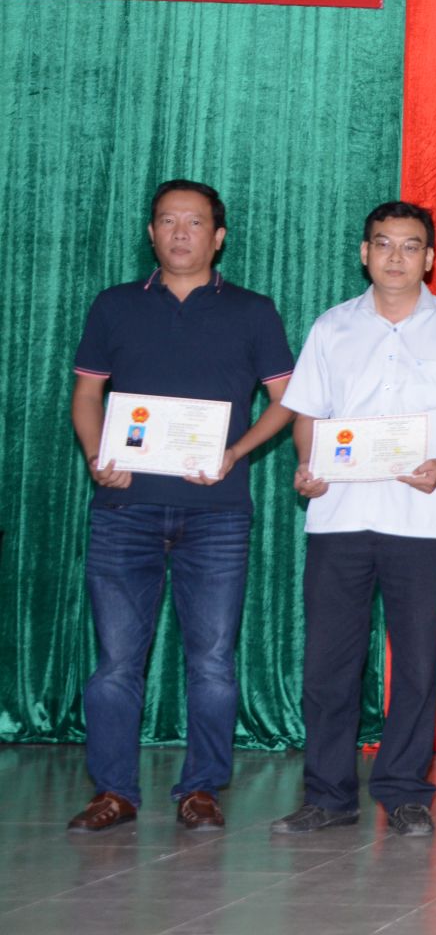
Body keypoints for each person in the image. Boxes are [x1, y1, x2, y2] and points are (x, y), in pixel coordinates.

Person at [67, 180, 295, 832]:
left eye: (194, 223)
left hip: (216, 512)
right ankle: (113, 792)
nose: (180, 233)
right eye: (168, 221)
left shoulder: (252, 310)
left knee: (213, 662)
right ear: (151, 233)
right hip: (125, 508)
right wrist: (96, 455)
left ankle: (200, 790)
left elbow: (286, 400)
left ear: (218, 237)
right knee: (115, 663)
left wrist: (236, 452)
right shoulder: (114, 305)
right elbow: (87, 395)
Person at [270, 202, 436, 837]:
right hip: (338, 517)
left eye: (410, 246)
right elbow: (308, 415)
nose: (395, 257)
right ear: (364, 253)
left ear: (430, 258)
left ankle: (404, 791)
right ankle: (328, 795)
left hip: (420, 519)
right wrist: (308, 464)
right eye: (383, 244)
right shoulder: (332, 327)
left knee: (418, 664)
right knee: (329, 665)